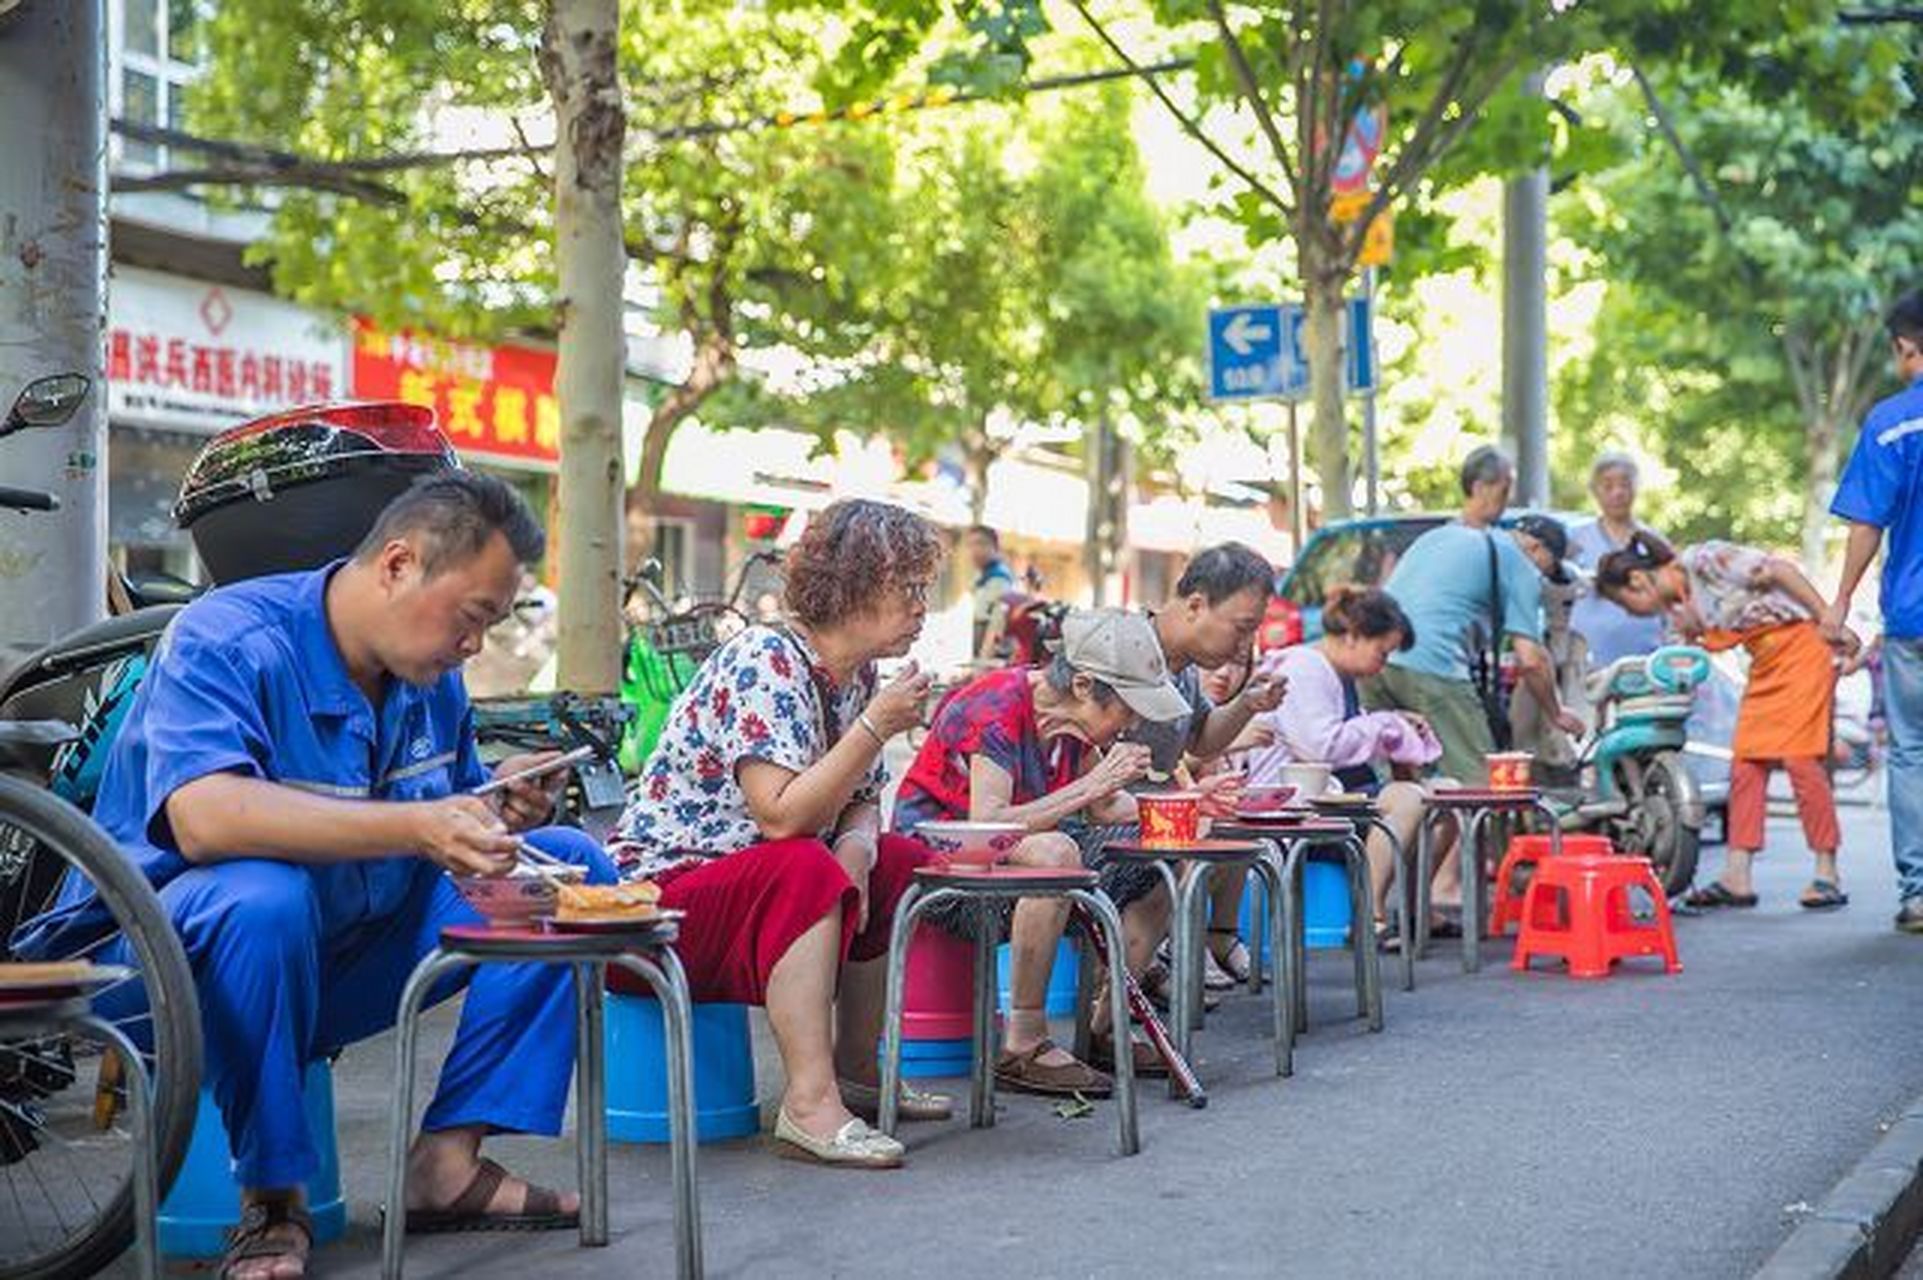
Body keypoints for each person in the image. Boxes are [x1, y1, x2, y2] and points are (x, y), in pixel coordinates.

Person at [14, 473, 613, 1280]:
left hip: (345, 951)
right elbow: (206, 817)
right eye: (473, 618)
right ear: (399, 565)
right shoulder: (226, 636)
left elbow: (448, 808)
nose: (475, 645)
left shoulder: (429, 683)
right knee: (262, 896)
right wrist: (417, 825)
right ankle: (270, 1202)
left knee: (570, 870)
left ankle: (446, 1165)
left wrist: (497, 810)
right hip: (163, 970)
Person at [612, 498, 945, 1169]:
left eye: (922, 589)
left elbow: (860, 798)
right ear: (849, 587)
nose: (920, 609)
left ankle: (856, 1068)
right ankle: (808, 1102)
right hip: (661, 897)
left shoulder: (856, 677)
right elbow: (781, 817)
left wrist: (857, 846)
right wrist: (876, 727)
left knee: (900, 858)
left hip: (746, 883)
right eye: (907, 588)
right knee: (802, 864)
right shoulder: (765, 659)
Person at [892, 609, 1185, 1086]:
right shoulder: (997, 705)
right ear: (1085, 687)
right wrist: (1091, 786)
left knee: (1158, 850)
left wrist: (1191, 806)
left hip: (1017, 863)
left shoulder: (1074, 724)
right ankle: (1022, 1044)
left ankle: (1105, 1028)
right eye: (1126, 708)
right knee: (1056, 854)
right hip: (943, 871)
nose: (1131, 724)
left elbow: (1108, 808)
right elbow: (987, 825)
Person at [1596, 534, 1860, 911]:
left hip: (1802, 650)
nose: (1635, 612)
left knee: (1801, 760)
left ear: (1637, 580)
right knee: (1746, 767)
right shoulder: (1677, 608)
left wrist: (1828, 619)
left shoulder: (1705, 560)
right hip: (1765, 665)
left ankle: (1826, 872)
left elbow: (1779, 570)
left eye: (1629, 603)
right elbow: (1685, 663)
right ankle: (1737, 876)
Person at [1242, 587, 1466, 940]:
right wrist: (1385, 724)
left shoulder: (1337, 673)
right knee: (1408, 799)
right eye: (1382, 652)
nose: (1383, 664)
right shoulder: (1304, 668)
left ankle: (1416, 910)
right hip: (1294, 802)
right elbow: (1320, 746)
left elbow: (1347, 733)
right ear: (1353, 636)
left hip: (1332, 794)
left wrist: (1390, 723)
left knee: (1447, 795)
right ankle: (1367, 914)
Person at [1363, 446, 1585, 784]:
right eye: (1548, 569)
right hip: (1433, 666)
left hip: (1372, 664)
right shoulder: (1517, 560)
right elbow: (1530, 659)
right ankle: (1488, 839)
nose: (1542, 578)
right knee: (1483, 786)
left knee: (1405, 786)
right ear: (1538, 550)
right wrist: (1556, 712)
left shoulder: (1435, 537)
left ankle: (1409, 839)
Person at [1121, 543, 1286, 988]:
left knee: (1231, 832)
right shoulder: (1122, 648)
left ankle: (1122, 1004)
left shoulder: (1186, 669)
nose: (1245, 644)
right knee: (1181, 851)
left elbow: (1200, 736)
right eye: (1242, 627)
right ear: (1196, 604)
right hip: (1103, 820)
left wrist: (1248, 703)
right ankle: (1124, 995)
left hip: (1144, 819)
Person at [1826, 287, 1923, 933]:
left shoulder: (1891, 422)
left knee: (1912, 752)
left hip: (1914, 619)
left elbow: (1866, 522)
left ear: (1904, 347)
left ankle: (1918, 892)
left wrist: (1838, 605)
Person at [1569, 452, 1667, 667]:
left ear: (1636, 488)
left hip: (1647, 657)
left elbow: (1670, 598)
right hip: (1589, 660)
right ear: (1595, 491)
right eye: (1608, 486)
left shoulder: (1654, 542)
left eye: (1625, 484)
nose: (1617, 493)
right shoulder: (1575, 540)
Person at [963, 524, 1018, 658]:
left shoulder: (999, 579)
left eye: (980, 544)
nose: (974, 550)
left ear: (995, 548)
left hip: (993, 657)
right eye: (970, 545)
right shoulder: (983, 575)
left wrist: (980, 666)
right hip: (982, 649)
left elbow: (995, 628)